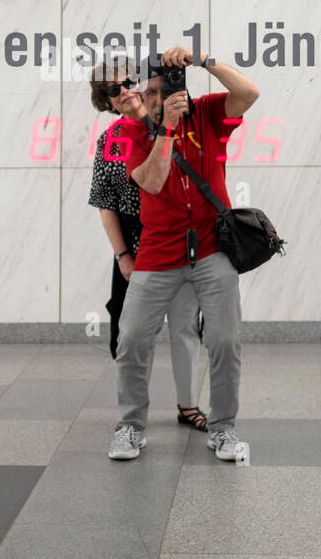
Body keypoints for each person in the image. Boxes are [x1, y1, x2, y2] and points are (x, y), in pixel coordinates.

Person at [108, 45, 260, 462]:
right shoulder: (132, 132)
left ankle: (224, 429)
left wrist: (203, 60)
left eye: (166, 89)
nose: (158, 100)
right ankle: (132, 427)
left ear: (182, 88)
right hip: (158, 252)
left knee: (225, 341)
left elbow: (249, 93)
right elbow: (151, 182)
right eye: (151, 92)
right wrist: (168, 131)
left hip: (213, 249)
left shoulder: (208, 113)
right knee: (133, 339)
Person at [88, 61, 209, 431]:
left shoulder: (175, 121)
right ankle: (132, 417)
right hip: (136, 247)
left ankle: (188, 406)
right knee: (129, 334)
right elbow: (105, 203)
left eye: (128, 81)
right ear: (107, 103)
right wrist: (123, 256)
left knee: (186, 326)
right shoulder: (111, 140)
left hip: (180, 240)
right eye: (113, 90)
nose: (125, 90)